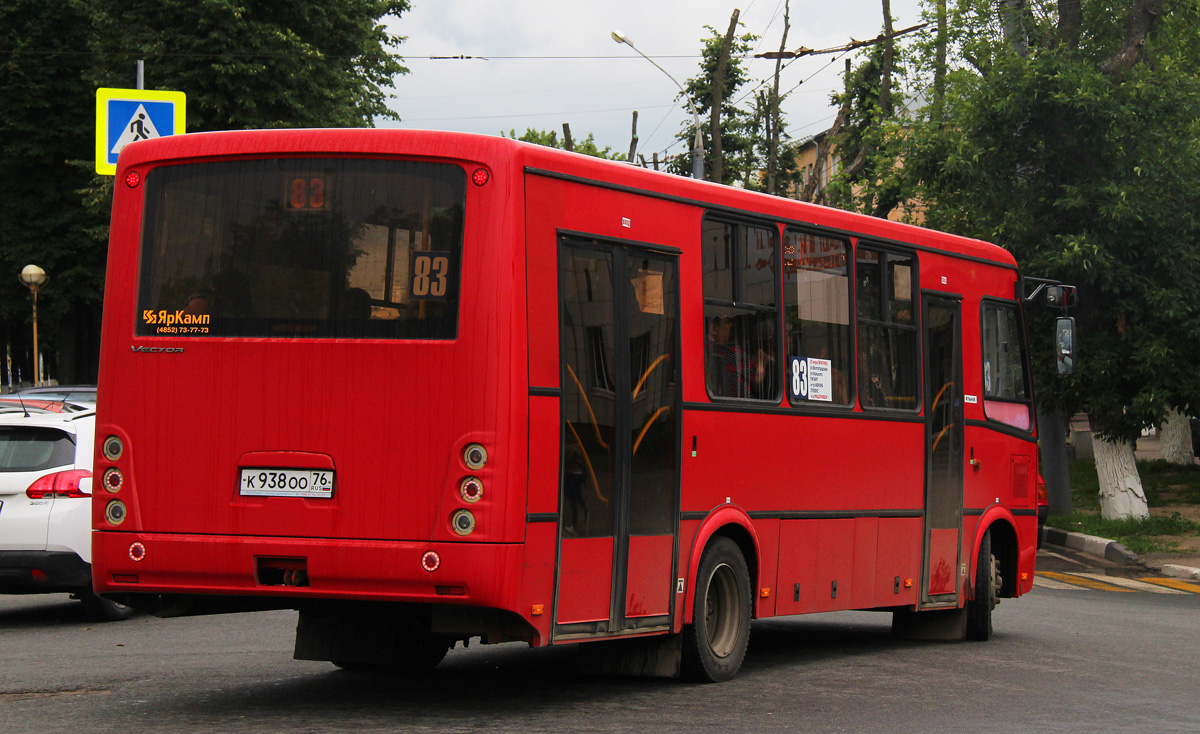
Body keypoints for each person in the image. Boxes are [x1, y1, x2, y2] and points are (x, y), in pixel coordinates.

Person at [706, 314, 765, 398]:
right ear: (713, 329)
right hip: (740, 404)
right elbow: (757, 375)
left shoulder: (701, 348)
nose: (731, 325)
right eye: (726, 322)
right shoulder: (730, 352)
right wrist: (761, 360)